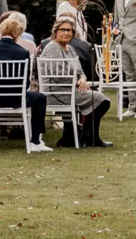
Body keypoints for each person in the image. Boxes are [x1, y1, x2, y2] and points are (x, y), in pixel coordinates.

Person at [0, 19, 52, 152]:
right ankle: (35, 140)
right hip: (16, 98)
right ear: (17, 33)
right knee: (40, 98)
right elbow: (25, 83)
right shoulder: (22, 52)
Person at [37, 18, 111, 146]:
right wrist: (78, 82)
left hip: (70, 88)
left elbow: (80, 71)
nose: (66, 33)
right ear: (56, 31)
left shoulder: (70, 49)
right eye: (63, 30)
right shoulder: (52, 48)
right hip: (56, 91)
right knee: (101, 100)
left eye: (69, 30)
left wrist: (82, 79)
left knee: (99, 99)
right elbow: (57, 75)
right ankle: (88, 137)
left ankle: (84, 136)